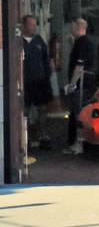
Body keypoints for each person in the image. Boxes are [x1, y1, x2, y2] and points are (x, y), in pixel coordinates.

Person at [63, 18, 98, 155]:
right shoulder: (81, 42)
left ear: (78, 27)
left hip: (81, 84)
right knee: (76, 112)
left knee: (79, 114)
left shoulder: (83, 44)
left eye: (72, 26)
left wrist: (72, 84)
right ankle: (77, 142)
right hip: (84, 83)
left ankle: (79, 144)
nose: (70, 29)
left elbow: (79, 66)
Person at [21, 15, 53, 151]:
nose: (34, 27)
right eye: (31, 25)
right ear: (24, 26)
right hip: (25, 84)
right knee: (24, 111)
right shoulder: (18, 42)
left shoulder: (39, 41)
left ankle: (44, 137)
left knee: (42, 110)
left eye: (35, 25)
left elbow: (46, 61)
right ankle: (24, 139)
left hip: (40, 83)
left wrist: (47, 77)